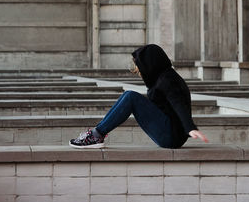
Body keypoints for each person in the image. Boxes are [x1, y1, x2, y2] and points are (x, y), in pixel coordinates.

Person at [69, 44, 208, 149]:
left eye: (141, 67)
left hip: (171, 136)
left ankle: (96, 135)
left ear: (151, 64)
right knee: (128, 95)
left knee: (131, 97)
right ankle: (97, 133)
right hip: (170, 133)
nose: (139, 71)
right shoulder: (162, 78)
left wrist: (190, 127)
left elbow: (179, 104)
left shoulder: (168, 80)